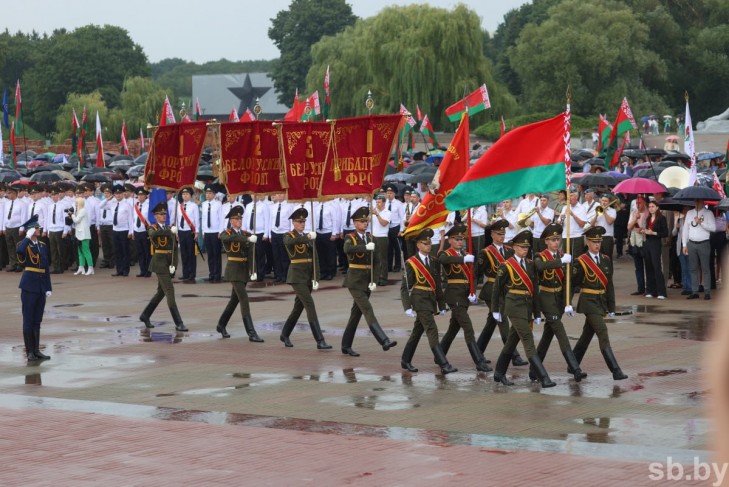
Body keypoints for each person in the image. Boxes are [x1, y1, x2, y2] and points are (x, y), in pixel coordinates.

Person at [491, 230, 555, 387]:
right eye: (521, 247)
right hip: (513, 306)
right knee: (528, 339)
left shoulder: (531, 264)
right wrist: (495, 309)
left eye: (527, 247)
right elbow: (497, 289)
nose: (525, 250)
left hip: (526, 307)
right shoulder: (506, 266)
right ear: (514, 247)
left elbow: (534, 289)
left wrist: (537, 312)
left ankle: (499, 373)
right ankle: (544, 378)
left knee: (511, 342)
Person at [569, 226, 627, 380]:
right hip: (588, 301)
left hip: (600, 301)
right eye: (594, 241)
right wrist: (567, 302)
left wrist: (611, 306)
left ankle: (572, 364)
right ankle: (615, 370)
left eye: (599, 241)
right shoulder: (580, 261)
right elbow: (570, 283)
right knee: (602, 332)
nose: (597, 245)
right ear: (587, 242)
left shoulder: (606, 260)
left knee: (587, 335)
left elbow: (609, 285)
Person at [531, 223, 586, 382]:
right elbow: (541, 267)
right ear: (546, 241)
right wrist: (561, 261)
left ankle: (534, 370)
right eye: (553, 240)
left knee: (548, 335)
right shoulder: (540, 256)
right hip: (546, 299)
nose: (556, 242)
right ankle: (575, 368)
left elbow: (568, 282)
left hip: (559, 300)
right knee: (561, 333)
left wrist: (568, 302)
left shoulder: (563, 256)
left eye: (558, 239)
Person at [340, 207, 397, 356]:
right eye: (361, 221)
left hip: (367, 280)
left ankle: (346, 345)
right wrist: (364, 247)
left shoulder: (372, 238)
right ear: (354, 223)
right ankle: (383, 340)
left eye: (366, 221)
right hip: (354, 280)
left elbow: (377, 261)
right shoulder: (350, 237)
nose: (365, 223)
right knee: (367, 309)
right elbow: (347, 249)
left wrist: (375, 279)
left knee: (356, 315)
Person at [399, 228, 457, 374]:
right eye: (425, 243)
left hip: (430, 300)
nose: (428, 246)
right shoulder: (411, 263)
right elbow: (405, 287)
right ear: (418, 245)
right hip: (419, 300)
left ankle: (406, 360)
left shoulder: (433, 261)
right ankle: (444, 364)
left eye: (429, 243)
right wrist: (407, 307)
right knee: (432, 330)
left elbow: (437, 285)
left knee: (417, 332)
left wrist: (441, 305)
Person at [436, 224, 490, 372]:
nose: (460, 242)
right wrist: (463, 260)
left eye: (462, 239)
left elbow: (471, 275)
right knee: (468, 328)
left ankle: (439, 354)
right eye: (457, 239)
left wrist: (472, 291)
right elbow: (442, 260)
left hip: (465, 295)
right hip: (454, 295)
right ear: (450, 241)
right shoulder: (446, 254)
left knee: (453, 329)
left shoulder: (466, 254)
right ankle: (479, 361)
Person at [475, 220, 528, 366]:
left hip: (505, 289)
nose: (502, 236)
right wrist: (471, 290)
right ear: (492, 234)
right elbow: (476, 272)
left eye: (504, 233)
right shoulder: (486, 252)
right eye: (499, 234)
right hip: (491, 289)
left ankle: (477, 352)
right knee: (503, 321)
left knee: (491, 323)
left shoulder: (509, 250)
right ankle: (514, 356)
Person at [279, 207, 332, 349]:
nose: (302, 224)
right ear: (293, 223)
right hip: (296, 276)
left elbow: (315, 258)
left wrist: (316, 277)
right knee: (309, 305)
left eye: (303, 222)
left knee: (298, 307)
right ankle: (320, 340)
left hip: (308, 276)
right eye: (299, 222)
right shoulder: (288, 235)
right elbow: (290, 243)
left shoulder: (309, 236)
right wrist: (307, 237)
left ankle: (284, 334)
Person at [215, 205, 263, 342]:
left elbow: (251, 254)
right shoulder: (227, 233)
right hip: (233, 270)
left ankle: (221, 325)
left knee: (234, 301)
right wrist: (247, 239)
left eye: (240, 218)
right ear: (231, 221)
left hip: (243, 271)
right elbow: (226, 239)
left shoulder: (246, 234)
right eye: (236, 219)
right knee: (244, 299)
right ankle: (251, 333)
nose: (239, 221)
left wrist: (253, 270)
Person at [139, 202, 188, 332]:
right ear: (155, 216)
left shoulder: (170, 228)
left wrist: (174, 265)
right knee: (169, 291)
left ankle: (145, 315)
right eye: (161, 214)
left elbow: (174, 249)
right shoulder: (153, 228)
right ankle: (178, 322)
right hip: (159, 263)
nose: (163, 216)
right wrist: (169, 230)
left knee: (161, 292)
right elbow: (153, 235)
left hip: (168, 263)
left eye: (165, 214)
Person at [16, 215, 52, 362]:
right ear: (30, 230)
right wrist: (26, 238)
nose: (39, 229)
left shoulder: (42, 245)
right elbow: (19, 252)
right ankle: (29, 352)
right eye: (36, 228)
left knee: (37, 319)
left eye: (38, 227)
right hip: (29, 286)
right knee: (28, 319)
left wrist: (48, 287)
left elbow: (46, 268)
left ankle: (36, 350)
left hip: (41, 286)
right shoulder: (24, 244)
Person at [681, 199, 716, 300]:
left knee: (705, 268)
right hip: (691, 243)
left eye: (699, 201)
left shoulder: (708, 213)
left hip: (704, 243)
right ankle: (694, 291)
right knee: (693, 268)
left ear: (703, 202)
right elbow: (685, 230)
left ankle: (707, 291)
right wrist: (684, 244)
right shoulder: (689, 213)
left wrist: (701, 223)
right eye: (695, 201)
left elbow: (713, 228)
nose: (697, 203)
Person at [642, 200, 668, 299]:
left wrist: (654, 233)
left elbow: (665, 232)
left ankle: (661, 292)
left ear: (657, 207)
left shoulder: (662, 218)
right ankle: (650, 290)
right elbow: (648, 230)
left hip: (656, 243)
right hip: (648, 242)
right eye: (649, 207)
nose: (651, 208)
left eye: (653, 206)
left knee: (656, 266)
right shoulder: (648, 218)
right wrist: (644, 231)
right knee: (648, 266)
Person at [201, 184, 223, 283]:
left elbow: (221, 219)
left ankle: (217, 274)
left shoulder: (218, 204)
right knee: (210, 254)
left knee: (216, 254)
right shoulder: (204, 204)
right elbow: (204, 219)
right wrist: (203, 231)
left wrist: (220, 231)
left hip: (215, 232)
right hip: (207, 232)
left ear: (214, 194)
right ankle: (211, 273)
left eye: (210, 193)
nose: (208, 195)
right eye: (207, 193)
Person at [177, 187, 199, 284]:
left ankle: (191, 274)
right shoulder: (179, 206)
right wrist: (177, 232)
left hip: (190, 231)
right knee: (184, 253)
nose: (185, 196)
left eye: (187, 194)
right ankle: (185, 273)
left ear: (190, 196)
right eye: (183, 194)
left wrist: (197, 232)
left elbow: (196, 219)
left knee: (191, 254)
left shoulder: (194, 206)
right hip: (181, 231)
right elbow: (177, 220)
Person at [627, 196, 648, 295]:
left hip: (645, 241)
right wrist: (635, 218)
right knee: (638, 266)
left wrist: (643, 229)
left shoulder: (648, 212)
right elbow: (629, 227)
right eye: (636, 203)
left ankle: (649, 287)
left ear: (644, 203)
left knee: (647, 266)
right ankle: (640, 287)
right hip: (635, 241)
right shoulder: (634, 213)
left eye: (639, 203)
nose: (638, 205)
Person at [4, 184, 27, 272]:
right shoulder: (7, 203)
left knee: (19, 247)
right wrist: (4, 227)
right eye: (7, 193)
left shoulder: (22, 204)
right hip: (8, 226)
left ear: (15, 193)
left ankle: (20, 264)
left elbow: (23, 217)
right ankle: (13, 264)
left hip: (17, 227)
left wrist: (22, 229)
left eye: (10, 193)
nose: (8, 195)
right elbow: (5, 216)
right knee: (10, 247)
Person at [370, 194, 391, 286]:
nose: (377, 204)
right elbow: (367, 222)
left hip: (382, 237)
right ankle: (376, 277)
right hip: (373, 236)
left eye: (379, 202)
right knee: (374, 258)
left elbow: (383, 223)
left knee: (382, 259)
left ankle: (383, 278)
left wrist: (377, 214)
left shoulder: (388, 212)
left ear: (383, 203)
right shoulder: (374, 212)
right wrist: (369, 214)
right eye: (376, 202)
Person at [71, 197, 94, 275]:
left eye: (76, 203)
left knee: (86, 251)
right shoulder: (78, 211)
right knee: (80, 252)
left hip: (84, 234)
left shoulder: (83, 210)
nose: (75, 205)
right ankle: (81, 267)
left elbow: (76, 220)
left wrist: (72, 215)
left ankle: (91, 268)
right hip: (78, 233)